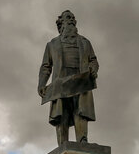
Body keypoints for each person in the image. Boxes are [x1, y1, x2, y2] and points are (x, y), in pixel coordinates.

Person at [38, 10, 99, 145]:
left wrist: (93, 69)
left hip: (81, 79)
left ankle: (82, 140)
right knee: (62, 113)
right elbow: (46, 66)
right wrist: (41, 84)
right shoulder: (52, 44)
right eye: (68, 18)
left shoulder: (85, 42)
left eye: (73, 18)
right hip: (60, 81)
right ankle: (62, 144)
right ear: (61, 24)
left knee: (80, 111)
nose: (71, 20)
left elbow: (93, 60)